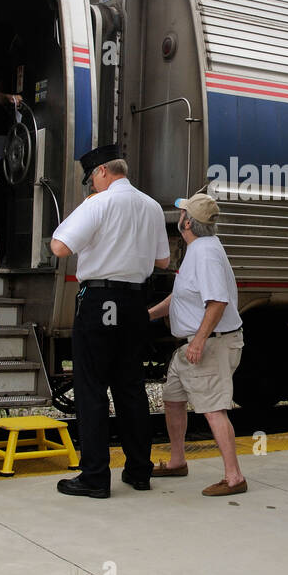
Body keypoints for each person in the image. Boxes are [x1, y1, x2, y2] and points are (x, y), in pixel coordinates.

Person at [49, 145, 171, 498]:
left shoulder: (98, 204)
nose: (92, 186)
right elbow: (162, 261)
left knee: (91, 390)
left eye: (92, 180)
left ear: (102, 171)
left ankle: (95, 476)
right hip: (135, 301)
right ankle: (139, 471)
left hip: (101, 300)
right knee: (131, 388)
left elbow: (60, 247)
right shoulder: (150, 206)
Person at [147, 193, 247, 496]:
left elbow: (217, 301)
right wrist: (148, 315)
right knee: (173, 398)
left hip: (210, 344)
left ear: (188, 222)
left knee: (214, 409)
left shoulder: (204, 254)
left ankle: (234, 478)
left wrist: (199, 341)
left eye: (182, 213)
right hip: (195, 343)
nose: (179, 217)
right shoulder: (199, 248)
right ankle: (178, 461)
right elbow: (181, 296)